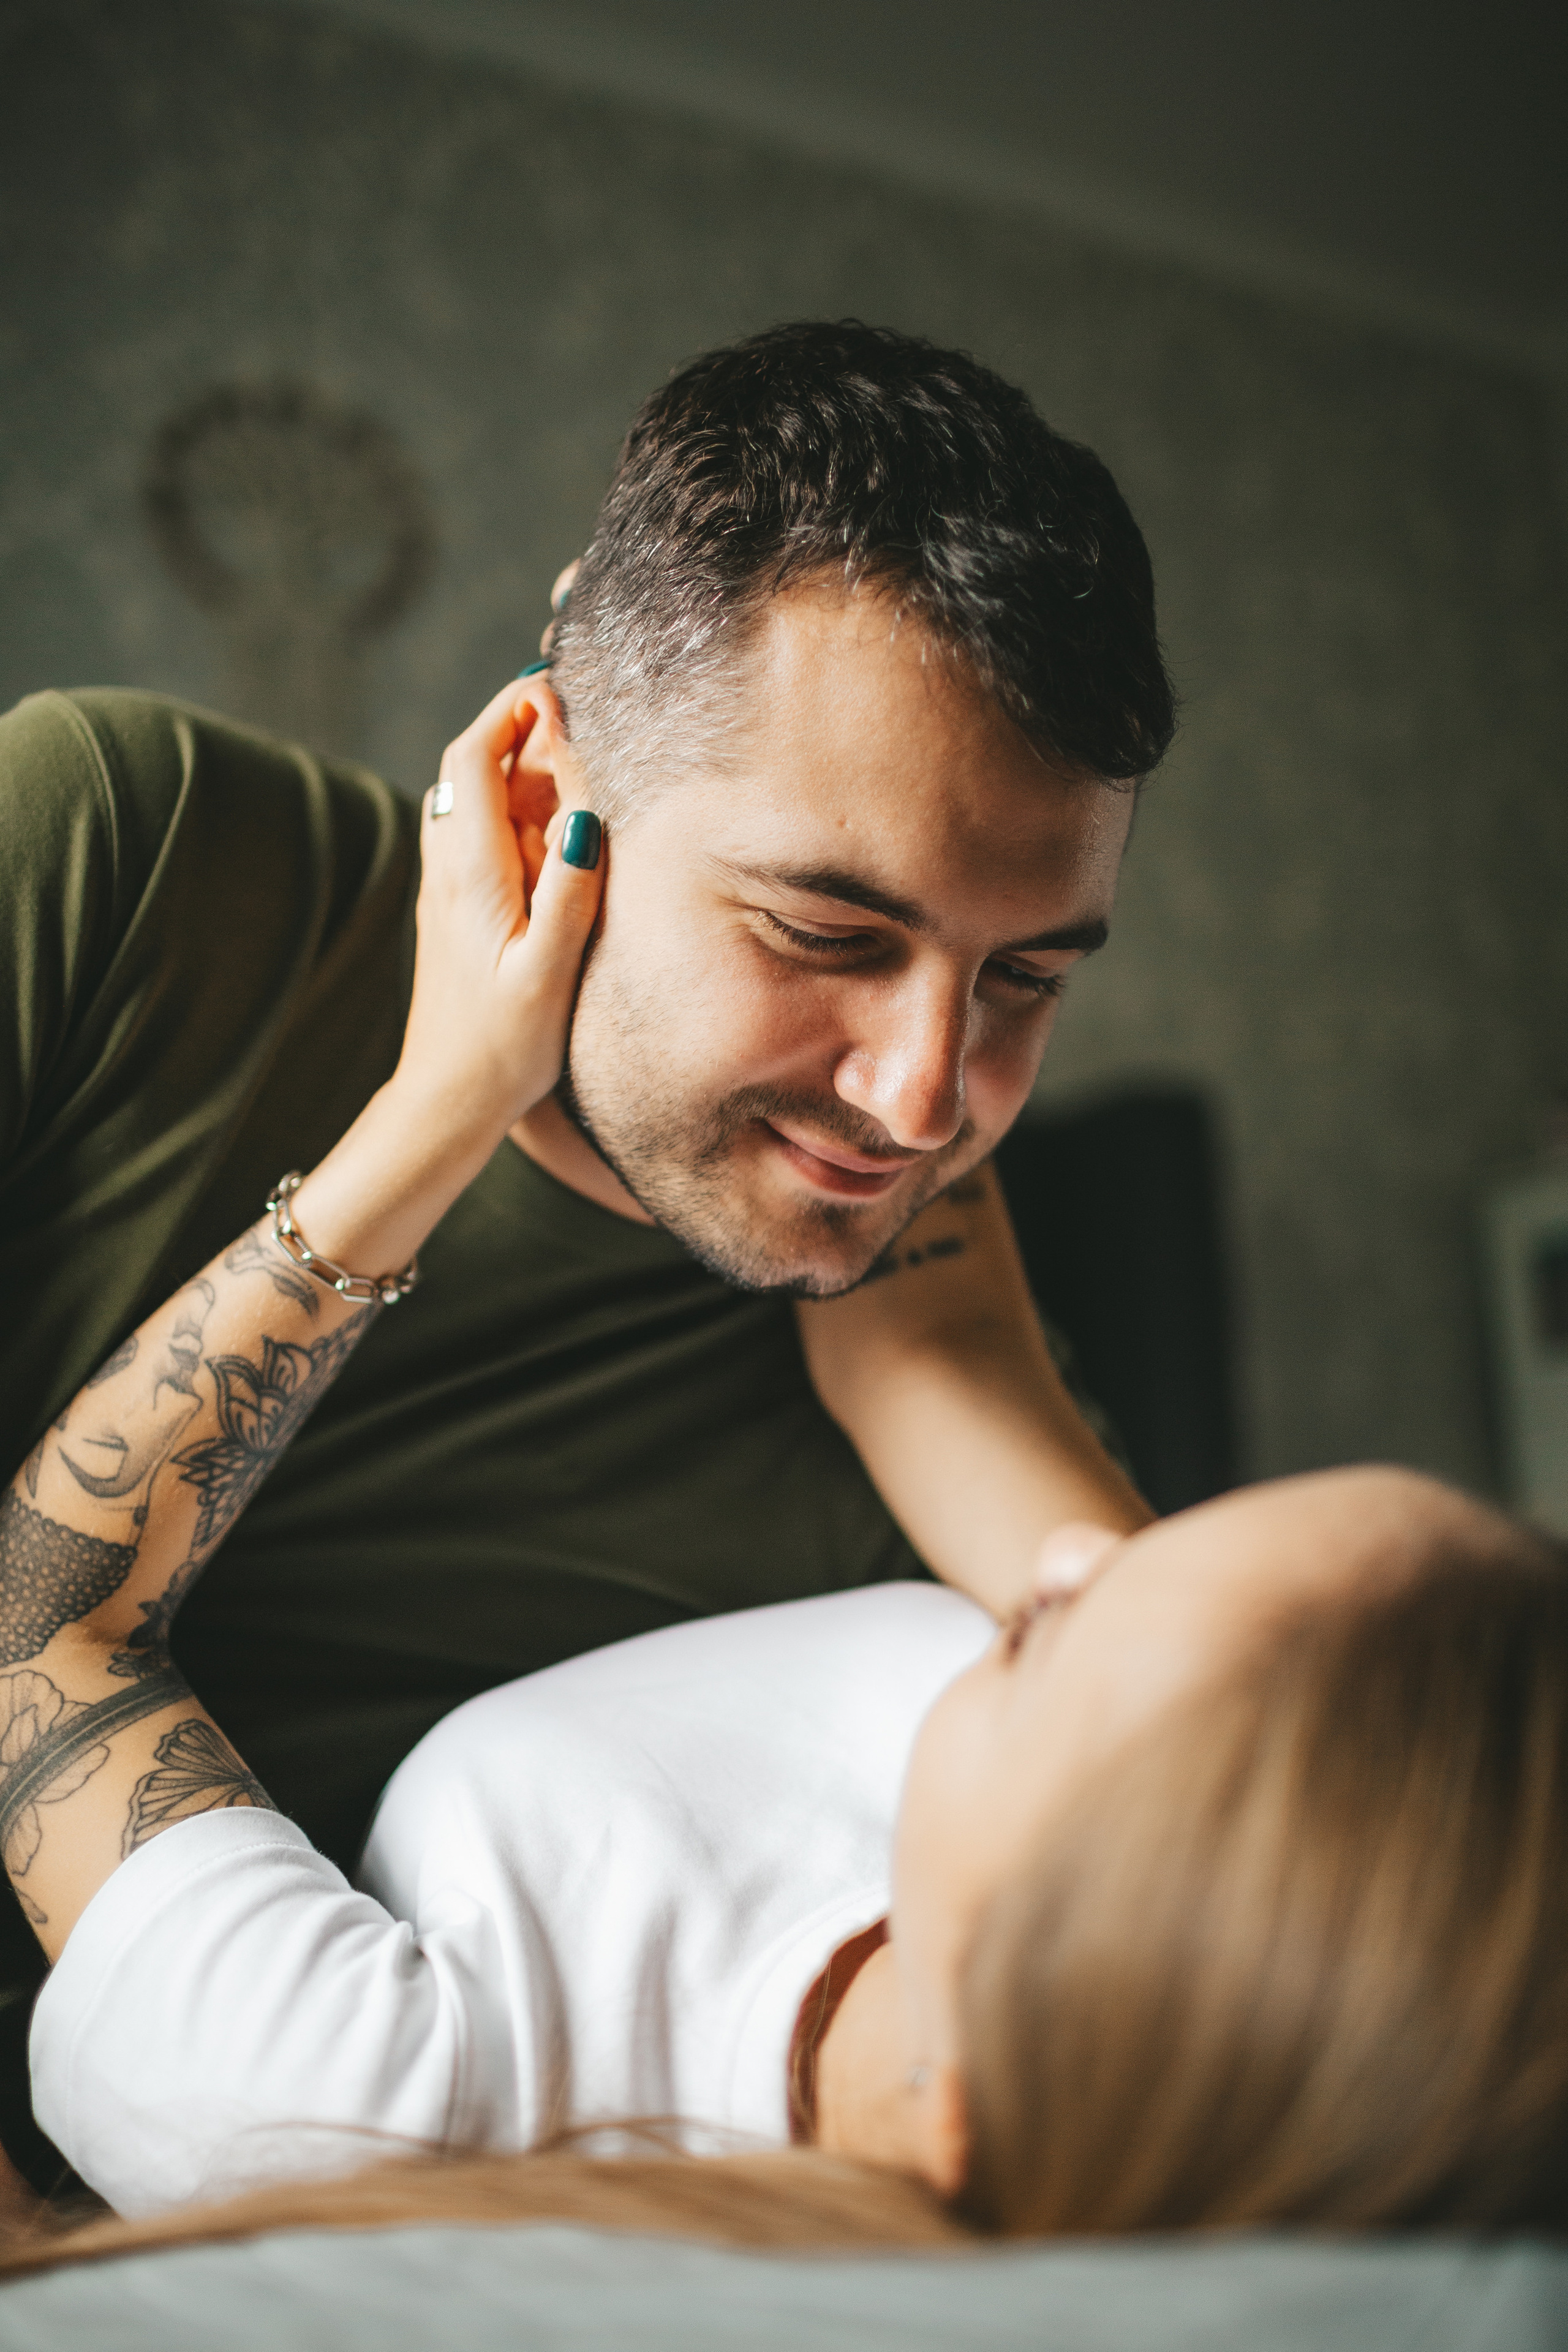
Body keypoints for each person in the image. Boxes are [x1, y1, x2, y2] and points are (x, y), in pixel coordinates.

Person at [1, 754, 1565, 2262]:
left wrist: (448, 1099)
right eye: (826, 932)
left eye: (1029, 973)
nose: (1073, 1557)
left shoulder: (363, 2119)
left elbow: (38, 1620)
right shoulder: (1144, 1770)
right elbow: (926, 1340)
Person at [0, 320, 1173, 2184]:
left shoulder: (907, 1277)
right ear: (550, 799)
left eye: (1026, 977)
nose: (927, 1094)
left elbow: (1190, 1714)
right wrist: (450, 1102)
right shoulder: (123, 860)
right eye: (824, 933)